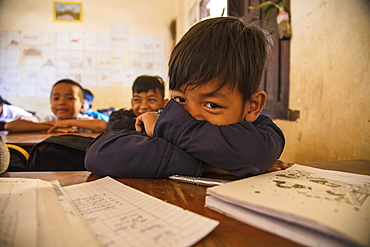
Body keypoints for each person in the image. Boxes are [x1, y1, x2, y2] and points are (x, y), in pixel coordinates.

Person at [85, 17, 287, 178]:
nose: (190, 115)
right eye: (180, 99)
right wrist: (208, 166)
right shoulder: (167, 118)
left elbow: (253, 155)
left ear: (252, 106)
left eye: (211, 104)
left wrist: (168, 134)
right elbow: (99, 153)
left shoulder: (262, 132)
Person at [5, 79, 107, 133]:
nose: (61, 102)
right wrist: (53, 126)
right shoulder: (49, 120)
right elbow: (10, 126)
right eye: (56, 98)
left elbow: (103, 125)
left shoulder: (84, 120)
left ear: (82, 105)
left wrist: (66, 123)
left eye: (70, 98)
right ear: (50, 103)